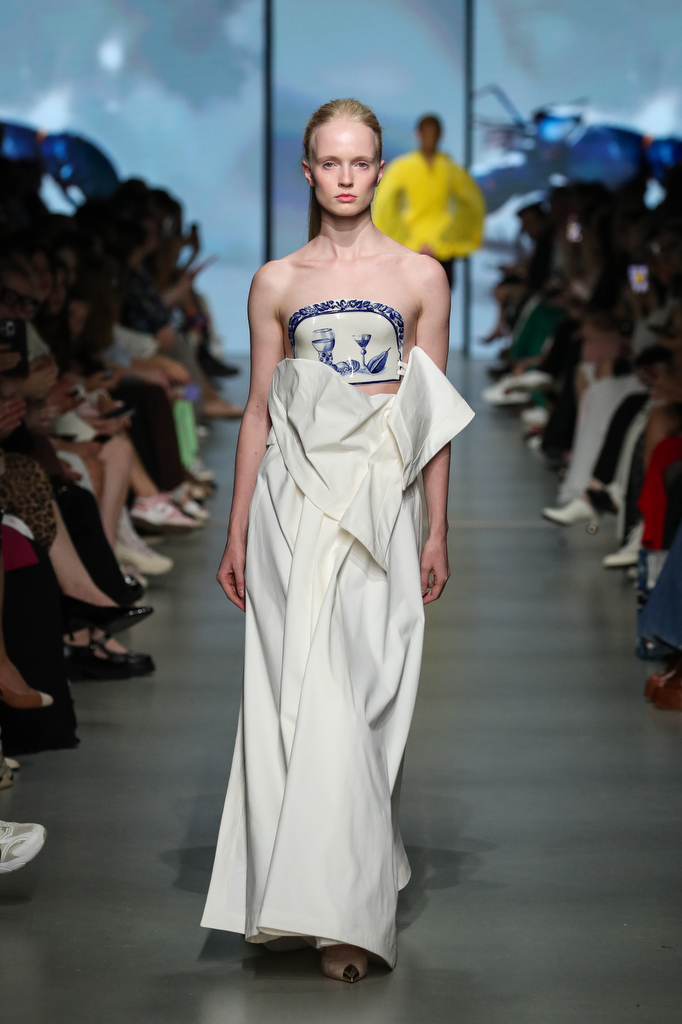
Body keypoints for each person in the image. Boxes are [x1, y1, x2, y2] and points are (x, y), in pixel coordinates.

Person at [201, 98, 474, 982]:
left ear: (380, 170)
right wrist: (237, 529)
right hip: (292, 502)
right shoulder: (276, 282)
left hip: (383, 503)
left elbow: (432, 418)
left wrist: (437, 527)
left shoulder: (422, 277)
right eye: (332, 162)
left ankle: (334, 878)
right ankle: (335, 914)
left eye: (361, 162)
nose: (347, 177)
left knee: (365, 695)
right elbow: (257, 412)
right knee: (301, 695)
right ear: (309, 171)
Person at [372, 113, 485, 288]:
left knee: (440, 296)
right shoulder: (404, 167)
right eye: (426, 133)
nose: (429, 138)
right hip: (410, 244)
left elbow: (472, 203)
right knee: (409, 296)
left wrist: (453, 234)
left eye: (433, 133)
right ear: (417, 134)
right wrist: (400, 235)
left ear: (440, 136)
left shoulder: (450, 169)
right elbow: (384, 201)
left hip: (442, 244)